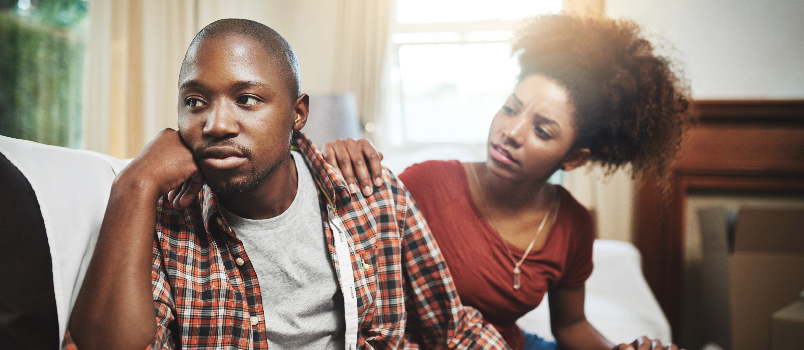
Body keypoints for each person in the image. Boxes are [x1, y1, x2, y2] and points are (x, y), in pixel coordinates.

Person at [64, 18, 509, 350]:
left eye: (247, 99)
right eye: (195, 102)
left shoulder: (371, 194)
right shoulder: (166, 217)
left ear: (298, 114)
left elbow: (453, 330)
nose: (216, 124)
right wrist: (135, 183)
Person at [323, 15, 692, 350]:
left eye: (542, 131)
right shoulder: (427, 181)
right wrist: (342, 164)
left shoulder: (572, 224)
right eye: (511, 108)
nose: (511, 132)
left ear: (574, 157)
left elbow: (571, 326)